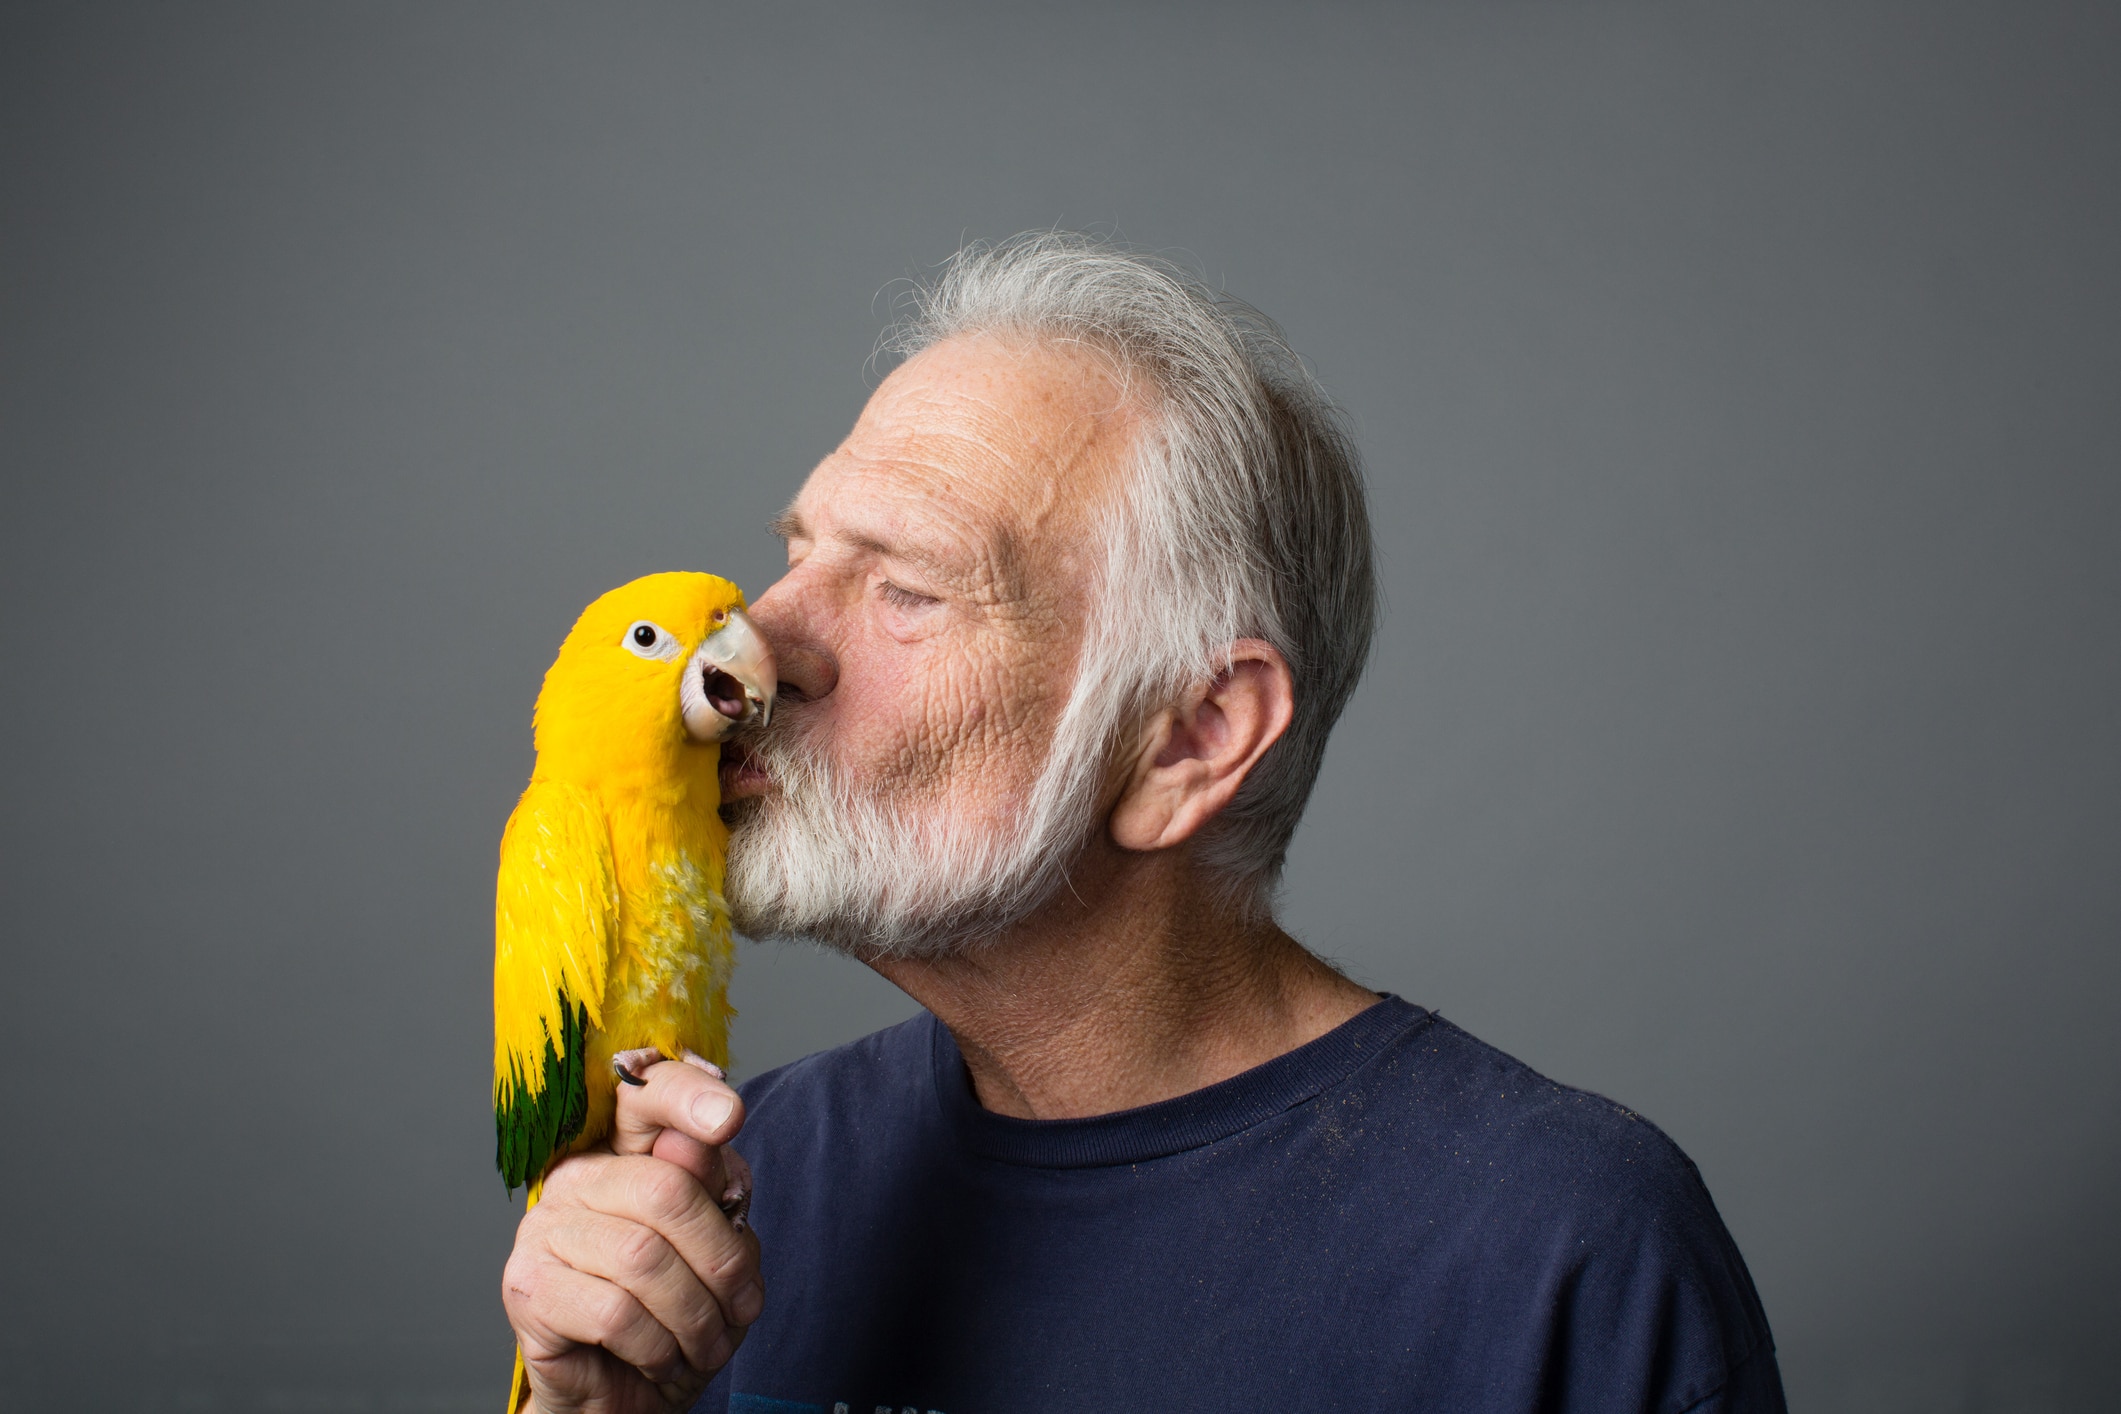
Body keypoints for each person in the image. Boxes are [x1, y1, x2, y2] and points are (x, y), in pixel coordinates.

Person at [499, 233, 1786, 1413]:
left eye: (905, 588)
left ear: (1191, 738)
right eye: (799, 551)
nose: (769, 642)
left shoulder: (1567, 1253)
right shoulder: (741, 1178)